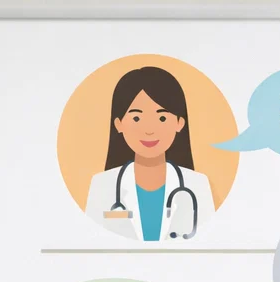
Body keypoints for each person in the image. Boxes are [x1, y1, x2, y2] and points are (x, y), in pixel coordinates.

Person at [84, 66, 215, 242]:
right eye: (136, 118)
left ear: (179, 123)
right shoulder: (101, 185)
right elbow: (89, 244)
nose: (149, 130)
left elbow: (210, 242)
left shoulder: (197, 184)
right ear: (119, 124)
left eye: (162, 118)